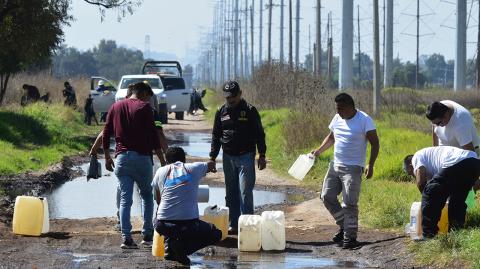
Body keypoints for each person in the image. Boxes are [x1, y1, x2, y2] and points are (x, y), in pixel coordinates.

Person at [311, 93, 379, 249]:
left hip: (353, 168)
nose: (338, 112)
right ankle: (344, 226)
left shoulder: (364, 120)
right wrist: (319, 151)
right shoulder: (337, 118)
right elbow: (331, 137)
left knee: (349, 203)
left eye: (340, 108)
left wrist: (370, 164)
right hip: (335, 165)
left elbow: (375, 144)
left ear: (350, 106)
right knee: (326, 196)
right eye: (337, 108)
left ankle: (350, 238)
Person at [102, 82, 164, 249]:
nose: (148, 101)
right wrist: (163, 160)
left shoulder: (115, 107)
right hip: (142, 159)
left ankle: (126, 238)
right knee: (146, 196)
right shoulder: (145, 108)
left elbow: (106, 133)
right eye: (148, 97)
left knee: (125, 199)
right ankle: (147, 235)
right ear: (143, 93)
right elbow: (154, 136)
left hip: (122, 159)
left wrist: (107, 157)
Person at [209, 80, 267, 233]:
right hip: (228, 157)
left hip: (246, 156)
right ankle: (233, 224)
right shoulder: (220, 112)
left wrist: (262, 154)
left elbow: (259, 134)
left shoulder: (249, 110)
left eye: (233, 96)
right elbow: (216, 136)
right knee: (231, 192)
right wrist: (212, 158)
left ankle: (248, 226)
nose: (231, 100)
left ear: (240, 94)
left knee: (244, 192)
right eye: (228, 97)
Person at [153, 147, 221, 265]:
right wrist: (212, 166)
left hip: (162, 224)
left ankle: (170, 250)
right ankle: (183, 250)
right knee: (216, 233)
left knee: (164, 218)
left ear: (167, 160)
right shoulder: (194, 168)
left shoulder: (160, 171)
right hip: (189, 224)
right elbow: (210, 164)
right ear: (184, 159)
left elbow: (158, 200)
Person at [403, 146, 480, 238]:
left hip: (457, 162)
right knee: (456, 201)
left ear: (411, 166)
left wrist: (426, 201)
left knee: (429, 193)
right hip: (474, 162)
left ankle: (428, 236)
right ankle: (456, 234)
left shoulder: (416, 157)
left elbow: (421, 183)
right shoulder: (431, 160)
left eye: (410, 173)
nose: (412, 176)